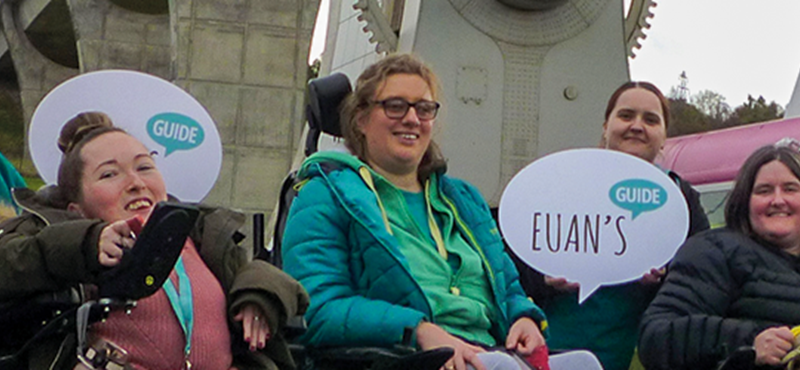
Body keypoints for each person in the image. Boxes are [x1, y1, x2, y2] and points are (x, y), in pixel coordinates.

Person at [281, 54, 603, 370]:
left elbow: (508, 287)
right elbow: (319, 310)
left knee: (583, 364)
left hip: (486, 349)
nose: (411, 119)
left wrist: (523, 318)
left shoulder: (462, 200)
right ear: (361, 119)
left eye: (423, 108)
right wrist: (419, 330)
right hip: (405, 354)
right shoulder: (323, 195)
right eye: (395, 106)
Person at [0, 112, 309, 370]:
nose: (136, 183)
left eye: (145, 166)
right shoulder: (59, 241)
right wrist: (86, 243)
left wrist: (260, 295)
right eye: (109, 175)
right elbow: (10, 263)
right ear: (74, 209)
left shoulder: (201, 235)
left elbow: (256, 273)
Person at [510, 81, 710, 370]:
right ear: (606, 126)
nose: (637, 126)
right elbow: (505, 267)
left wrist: (664, 281)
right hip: (549, 344)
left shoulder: (681, 198)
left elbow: (702, 276)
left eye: (651, 119)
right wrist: (542, 279)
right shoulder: (558, 182)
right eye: (626, 115)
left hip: (631, 351)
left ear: (664, 136)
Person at [639, 142, 800, 370]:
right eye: (764, 191)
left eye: (790, 189)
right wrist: (750, 342)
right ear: (744, 200)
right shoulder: (714, 251)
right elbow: (656, 336)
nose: (778, 200)